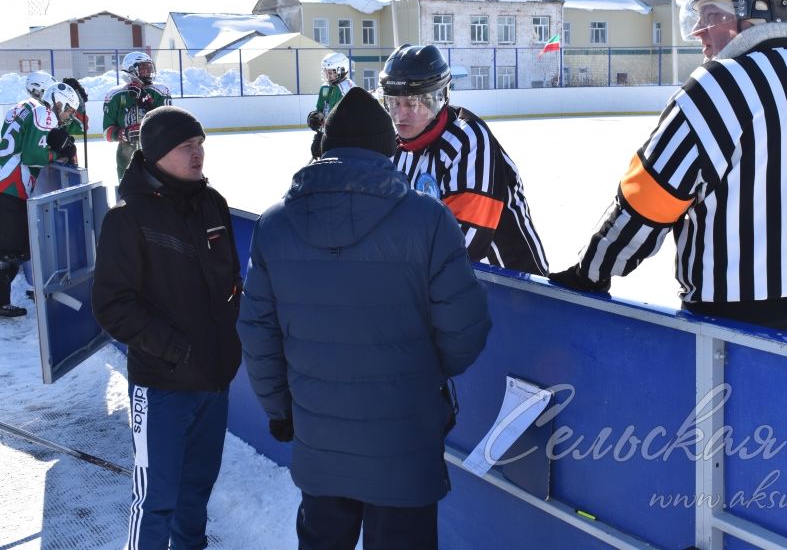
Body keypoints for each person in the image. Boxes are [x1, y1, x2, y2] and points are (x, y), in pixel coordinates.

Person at [549, 0, 787, 346]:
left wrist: (592, 272)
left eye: (711, 15)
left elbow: (646, 203)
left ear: (758, 12)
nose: (698, 30)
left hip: (732, 334)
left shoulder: (713, 90)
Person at [237, 87, 490, 549]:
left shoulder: (274, 225)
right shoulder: (428, 220)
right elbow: (465, 329)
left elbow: (258, 335)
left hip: (319, 439)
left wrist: (279, 412)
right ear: (386, 148)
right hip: (405, 440)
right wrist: (422, 380)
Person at [92, 106, 242, 549]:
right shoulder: (127, 218)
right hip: (162, 388)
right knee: (156, 499)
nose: (197, 155)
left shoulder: (212, 203)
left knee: (196, 490)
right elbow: (112, 305)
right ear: (156, 153)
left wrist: (229, 341)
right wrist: (177, 350)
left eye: (199, 145)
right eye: (184, 147)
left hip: (213, 381)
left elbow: (230, 281)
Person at [381, 44, 549, 276]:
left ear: (438, 98)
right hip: (438, 284)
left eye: (412, 103)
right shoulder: (393, 144)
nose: (400, 116)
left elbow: (465, 242)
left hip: (513, 284)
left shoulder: (468, 139)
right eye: (393, 103)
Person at [0, 82, 79, 317]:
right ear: (57, 101)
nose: (67, 116)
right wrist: (60, 155)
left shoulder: (24, 105)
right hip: (11, 187)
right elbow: (33, 154)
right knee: (12, 251)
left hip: (4, 180)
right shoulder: (44, 112)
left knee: (10, 249)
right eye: (68, 110)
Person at [103, 51, 172, 179]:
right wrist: (123, 134)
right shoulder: (115, 95)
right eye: (143, 68)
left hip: (156, 155)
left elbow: (167, 125)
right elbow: (107, 133)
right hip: (126, 159)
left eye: (149, 67)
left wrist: (146, 101)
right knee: (129, 195)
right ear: (131, 70)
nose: (148, 71)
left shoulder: (160, 91)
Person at [307, 52, 355, 158]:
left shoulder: (348, 88)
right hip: (329, 135)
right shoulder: (326, 88)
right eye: (326, 72)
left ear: (341, 70)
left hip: (344, 139)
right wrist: (317, 119)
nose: (328, 75)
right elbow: (322, 109)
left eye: (331, 72)